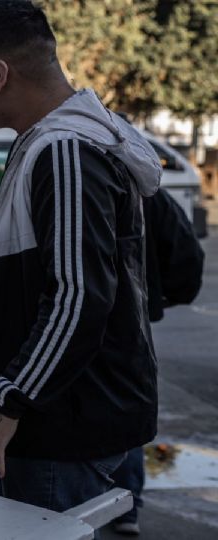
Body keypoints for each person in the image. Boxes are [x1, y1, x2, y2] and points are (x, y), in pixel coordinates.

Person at [0, 0, 162, 513]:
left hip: (62, 430)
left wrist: (6, 401)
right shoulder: (57, 141)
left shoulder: (65, 150)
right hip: (68, 421)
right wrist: (4, 302)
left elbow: (79, 297)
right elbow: (73, 277)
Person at [110, 187, 204, 535]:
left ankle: (100, 500)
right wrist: (162, 296)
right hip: (133, 317)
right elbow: (187, 257)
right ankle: (126, 504)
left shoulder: (67, 173)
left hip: (87, 316)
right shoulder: (145, 190)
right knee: (126, 404)